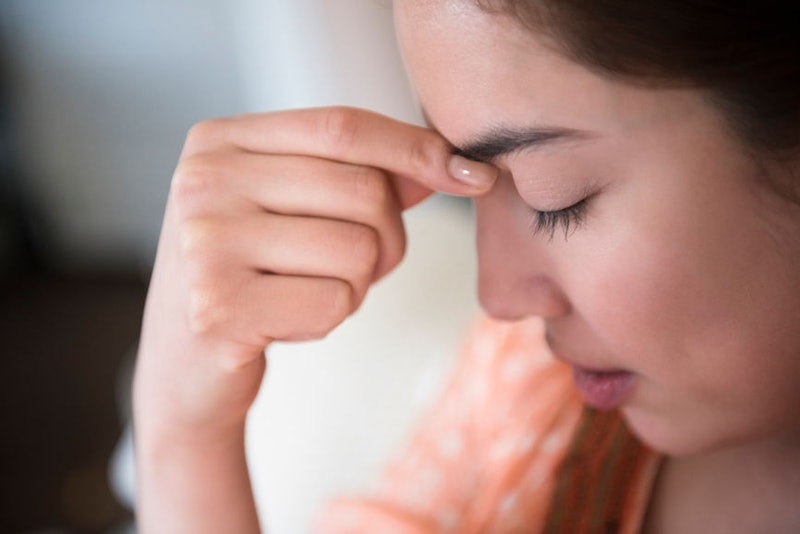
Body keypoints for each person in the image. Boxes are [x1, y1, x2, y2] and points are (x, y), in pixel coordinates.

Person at [132, 0, 800, 532]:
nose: (498, 298)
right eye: (471, 179)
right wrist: (181, 437)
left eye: (553, 196)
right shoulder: (524, 396)